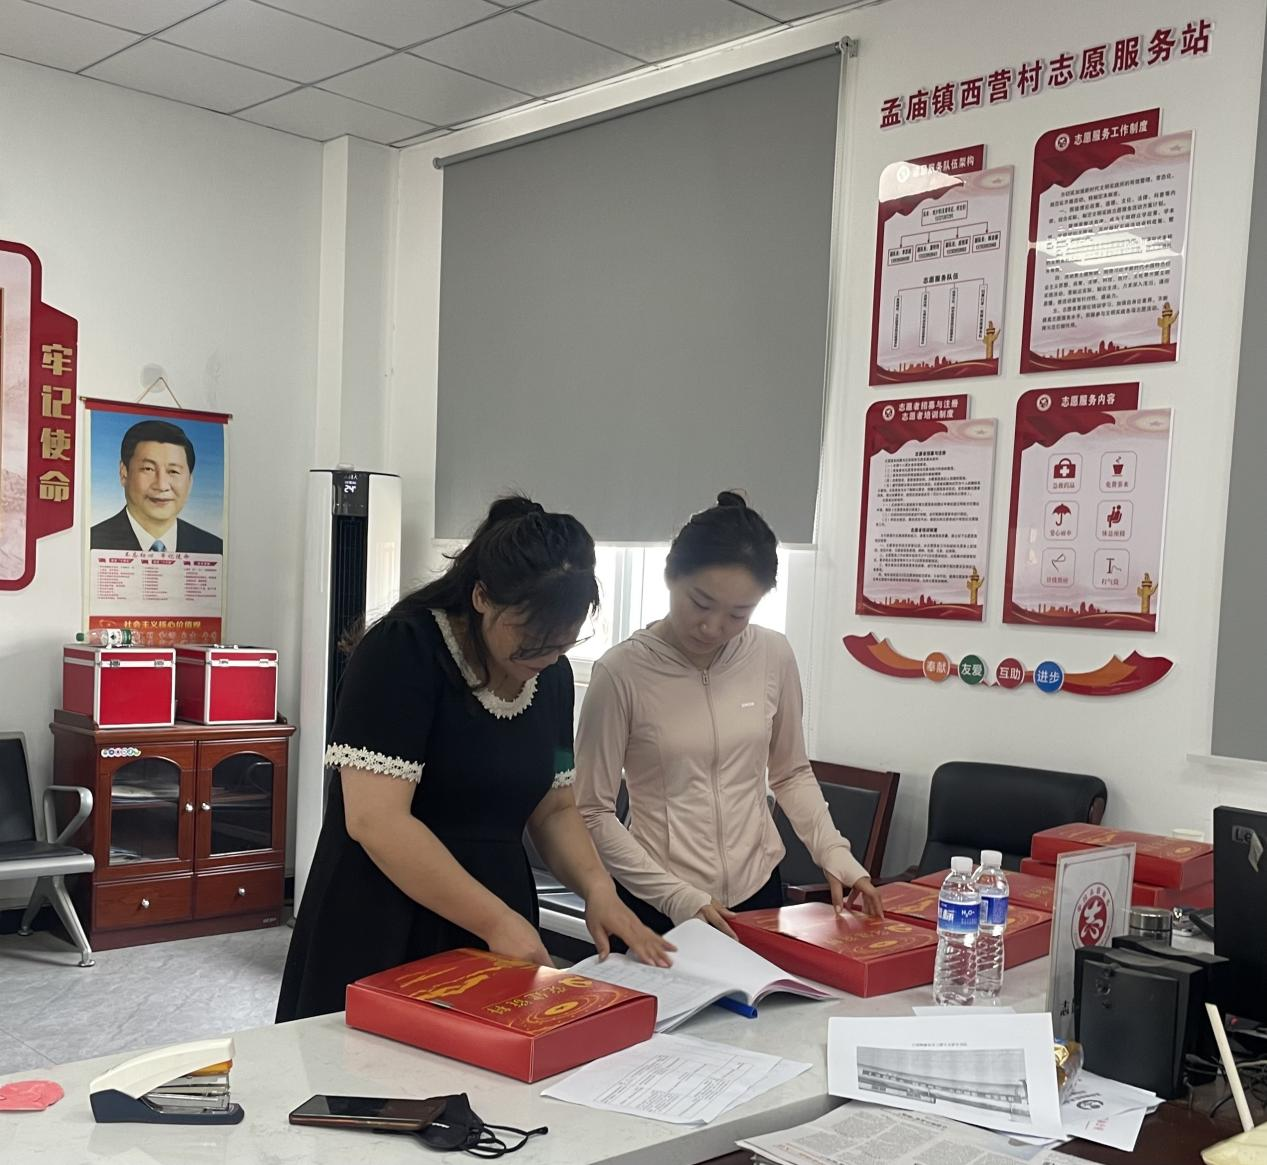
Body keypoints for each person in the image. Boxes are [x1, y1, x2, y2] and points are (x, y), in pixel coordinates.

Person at [278, 496, 671, 1022]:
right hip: (387, 909)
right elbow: (376, 820)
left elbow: (554, 808)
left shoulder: (551, 677)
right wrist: (495, 921)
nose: (544, 659)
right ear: (482, 597)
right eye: (530, 641)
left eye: (561, 644)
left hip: (497, 910)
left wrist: (598, 889)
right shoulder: (404, 650)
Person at [575, 492, 884, 940]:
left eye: (739, 614)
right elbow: (592, 810)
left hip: (758, 893)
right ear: (670, 576)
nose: (713, 627)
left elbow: (791, 772)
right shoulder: (621, 672)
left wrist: (833, 851)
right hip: (656, 901)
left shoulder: (772, 655)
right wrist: (674, 896)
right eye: (700, 603)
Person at [90, 419, 222, 553]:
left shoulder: (214, 548)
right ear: (124, 473)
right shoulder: (93, 542)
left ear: (189, 482)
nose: (161, 485)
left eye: (173, 471)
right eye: (148, 469)